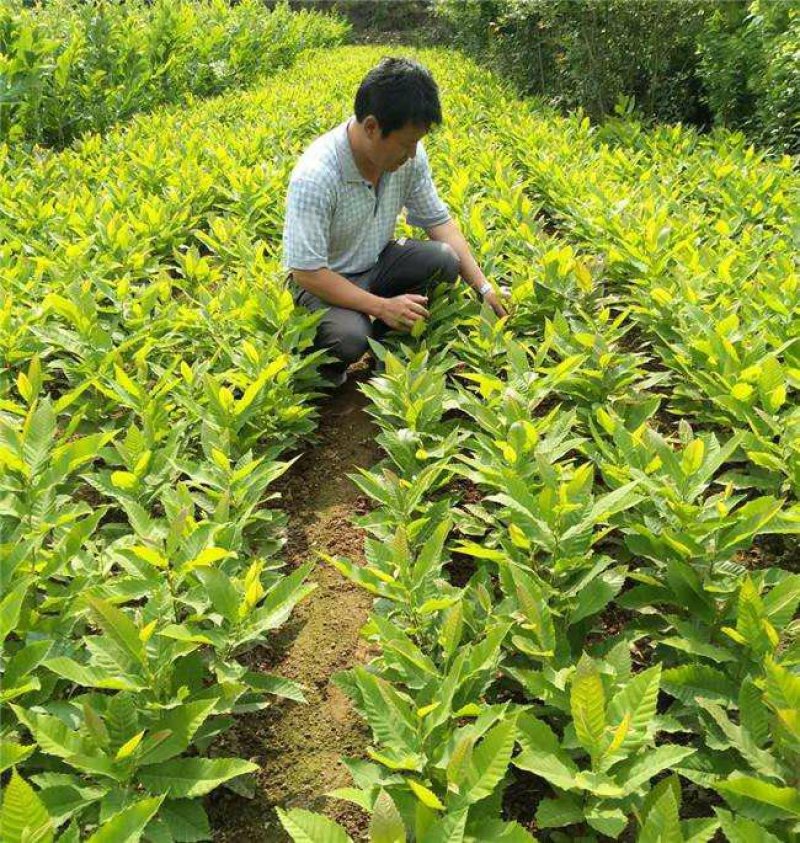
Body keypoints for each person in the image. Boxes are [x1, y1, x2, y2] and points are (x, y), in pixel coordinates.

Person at [281, 56, 507, 387]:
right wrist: (383, 306)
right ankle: (325, 363)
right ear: (371, 127)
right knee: (348, 339)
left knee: (444, 259)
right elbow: (307, 273)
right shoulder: (316, 175)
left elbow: (439, 222)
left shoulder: (407, 159)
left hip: (374, 263)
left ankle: (386, 341)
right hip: (323, 283)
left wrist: (484, 287)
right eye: (406, 144)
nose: (413, 154)